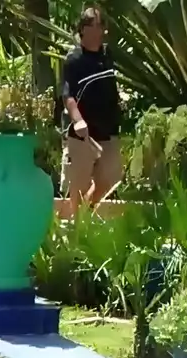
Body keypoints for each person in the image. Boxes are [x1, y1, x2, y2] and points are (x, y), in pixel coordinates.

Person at [60, 7, 122, 213]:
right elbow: (67, 95)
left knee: (112, 176)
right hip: (82, 136)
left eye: (102, 25)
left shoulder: (107, 55)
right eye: (96, 25)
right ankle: (78, 232)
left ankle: (88, 209)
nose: (101, 31)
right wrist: (77, 120)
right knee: (77, 189)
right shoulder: (74, 60)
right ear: (83, 29)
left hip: (108, 132)